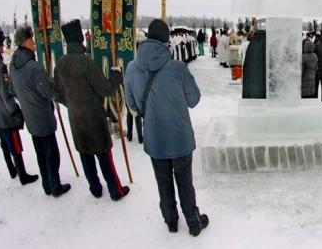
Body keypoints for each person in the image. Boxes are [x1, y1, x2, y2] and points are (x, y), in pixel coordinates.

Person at [124, 19, 209, 236]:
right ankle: (193, 222)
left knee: (163, 182)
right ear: (166, 40)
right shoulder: (177, 68)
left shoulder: (132, 68)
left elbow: (132, 103)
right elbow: (194, 99)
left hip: (154, 136)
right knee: (184, 182)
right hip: (179, 136)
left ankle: (171, 220)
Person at [53, 19, 129, 201]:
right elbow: (105, 89)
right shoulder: (87, 62)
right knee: (104, 155)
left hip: (76, 119)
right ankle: (115, 190)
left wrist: (72, 104)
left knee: (85, 154)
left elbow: (56, 93)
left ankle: (95, 187)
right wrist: (117, 75)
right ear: (80, 40)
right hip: (94, 118)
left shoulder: (61, 63)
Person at [9, 25, 71, 197]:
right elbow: (49, 92)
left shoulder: (13, 66)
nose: (35, 44)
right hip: (42, 117)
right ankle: (55, 186)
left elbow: (12, 90)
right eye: (32, 41)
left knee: (41, 153)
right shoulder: (33, 67)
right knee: (51, 154)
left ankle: (47, 185)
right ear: (25, 42)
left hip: (29, 116)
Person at [0, 23, 38, 185]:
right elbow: (5, 93)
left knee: (4, 142)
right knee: (15, 144)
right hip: (5, 113)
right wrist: (15, 111)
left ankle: (12, 169)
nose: (3, 46)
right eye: (1, 44)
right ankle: (22, 174)